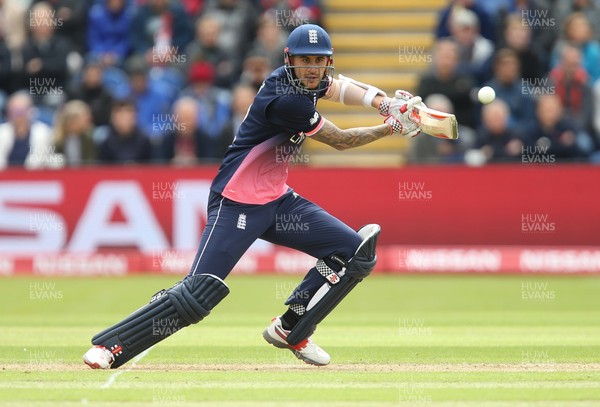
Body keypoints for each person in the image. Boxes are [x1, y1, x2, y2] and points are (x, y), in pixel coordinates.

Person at [82, 24, 423, 369]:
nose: (312, 68)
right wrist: (393, 127)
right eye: (305, 60)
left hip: (277, 201)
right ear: (289, 60)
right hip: (236, 201)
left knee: (352, 253)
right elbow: (340, 140)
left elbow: (342, 87)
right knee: (199, 293)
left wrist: (386, 103)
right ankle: (112, 345)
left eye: (319, 61)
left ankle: (291, 327)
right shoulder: (287, 99)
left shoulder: (309, 79)